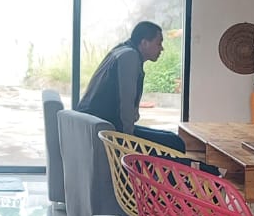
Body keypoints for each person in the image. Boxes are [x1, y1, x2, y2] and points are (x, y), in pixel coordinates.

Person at [76, 21, 184, 152]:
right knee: (174, 143)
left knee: (171, 138)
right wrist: (129, 143)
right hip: (106, 132)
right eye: (159, 43)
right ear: (144, 43)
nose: (162, 49)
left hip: (98, 127)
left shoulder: (121, 50)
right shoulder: (129, 56)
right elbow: (125, 103)